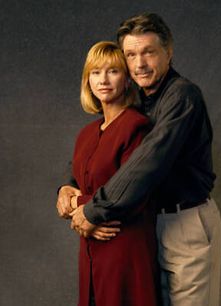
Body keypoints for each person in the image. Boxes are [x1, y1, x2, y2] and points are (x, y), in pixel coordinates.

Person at [57, 13, 221, 306]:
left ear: (168, 52)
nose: (140, 63)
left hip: (184, 222)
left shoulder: (182, 96)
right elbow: (99, 156)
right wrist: (67, 187)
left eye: (149, 52)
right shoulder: (137, 100)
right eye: (131, 55)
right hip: (148, 224)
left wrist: (91, 211)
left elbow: (146, 164)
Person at [57, 41, 160, 306]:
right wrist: (64, 191)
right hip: (90, 246)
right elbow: (79, 182)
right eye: (95, 72)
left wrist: (76, 203)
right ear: (87, 80)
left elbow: (133, 195)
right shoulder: (86, 134)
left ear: (127, 79)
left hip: (125, 246)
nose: (103, 79)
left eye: (112, 71)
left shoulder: (136, 127)